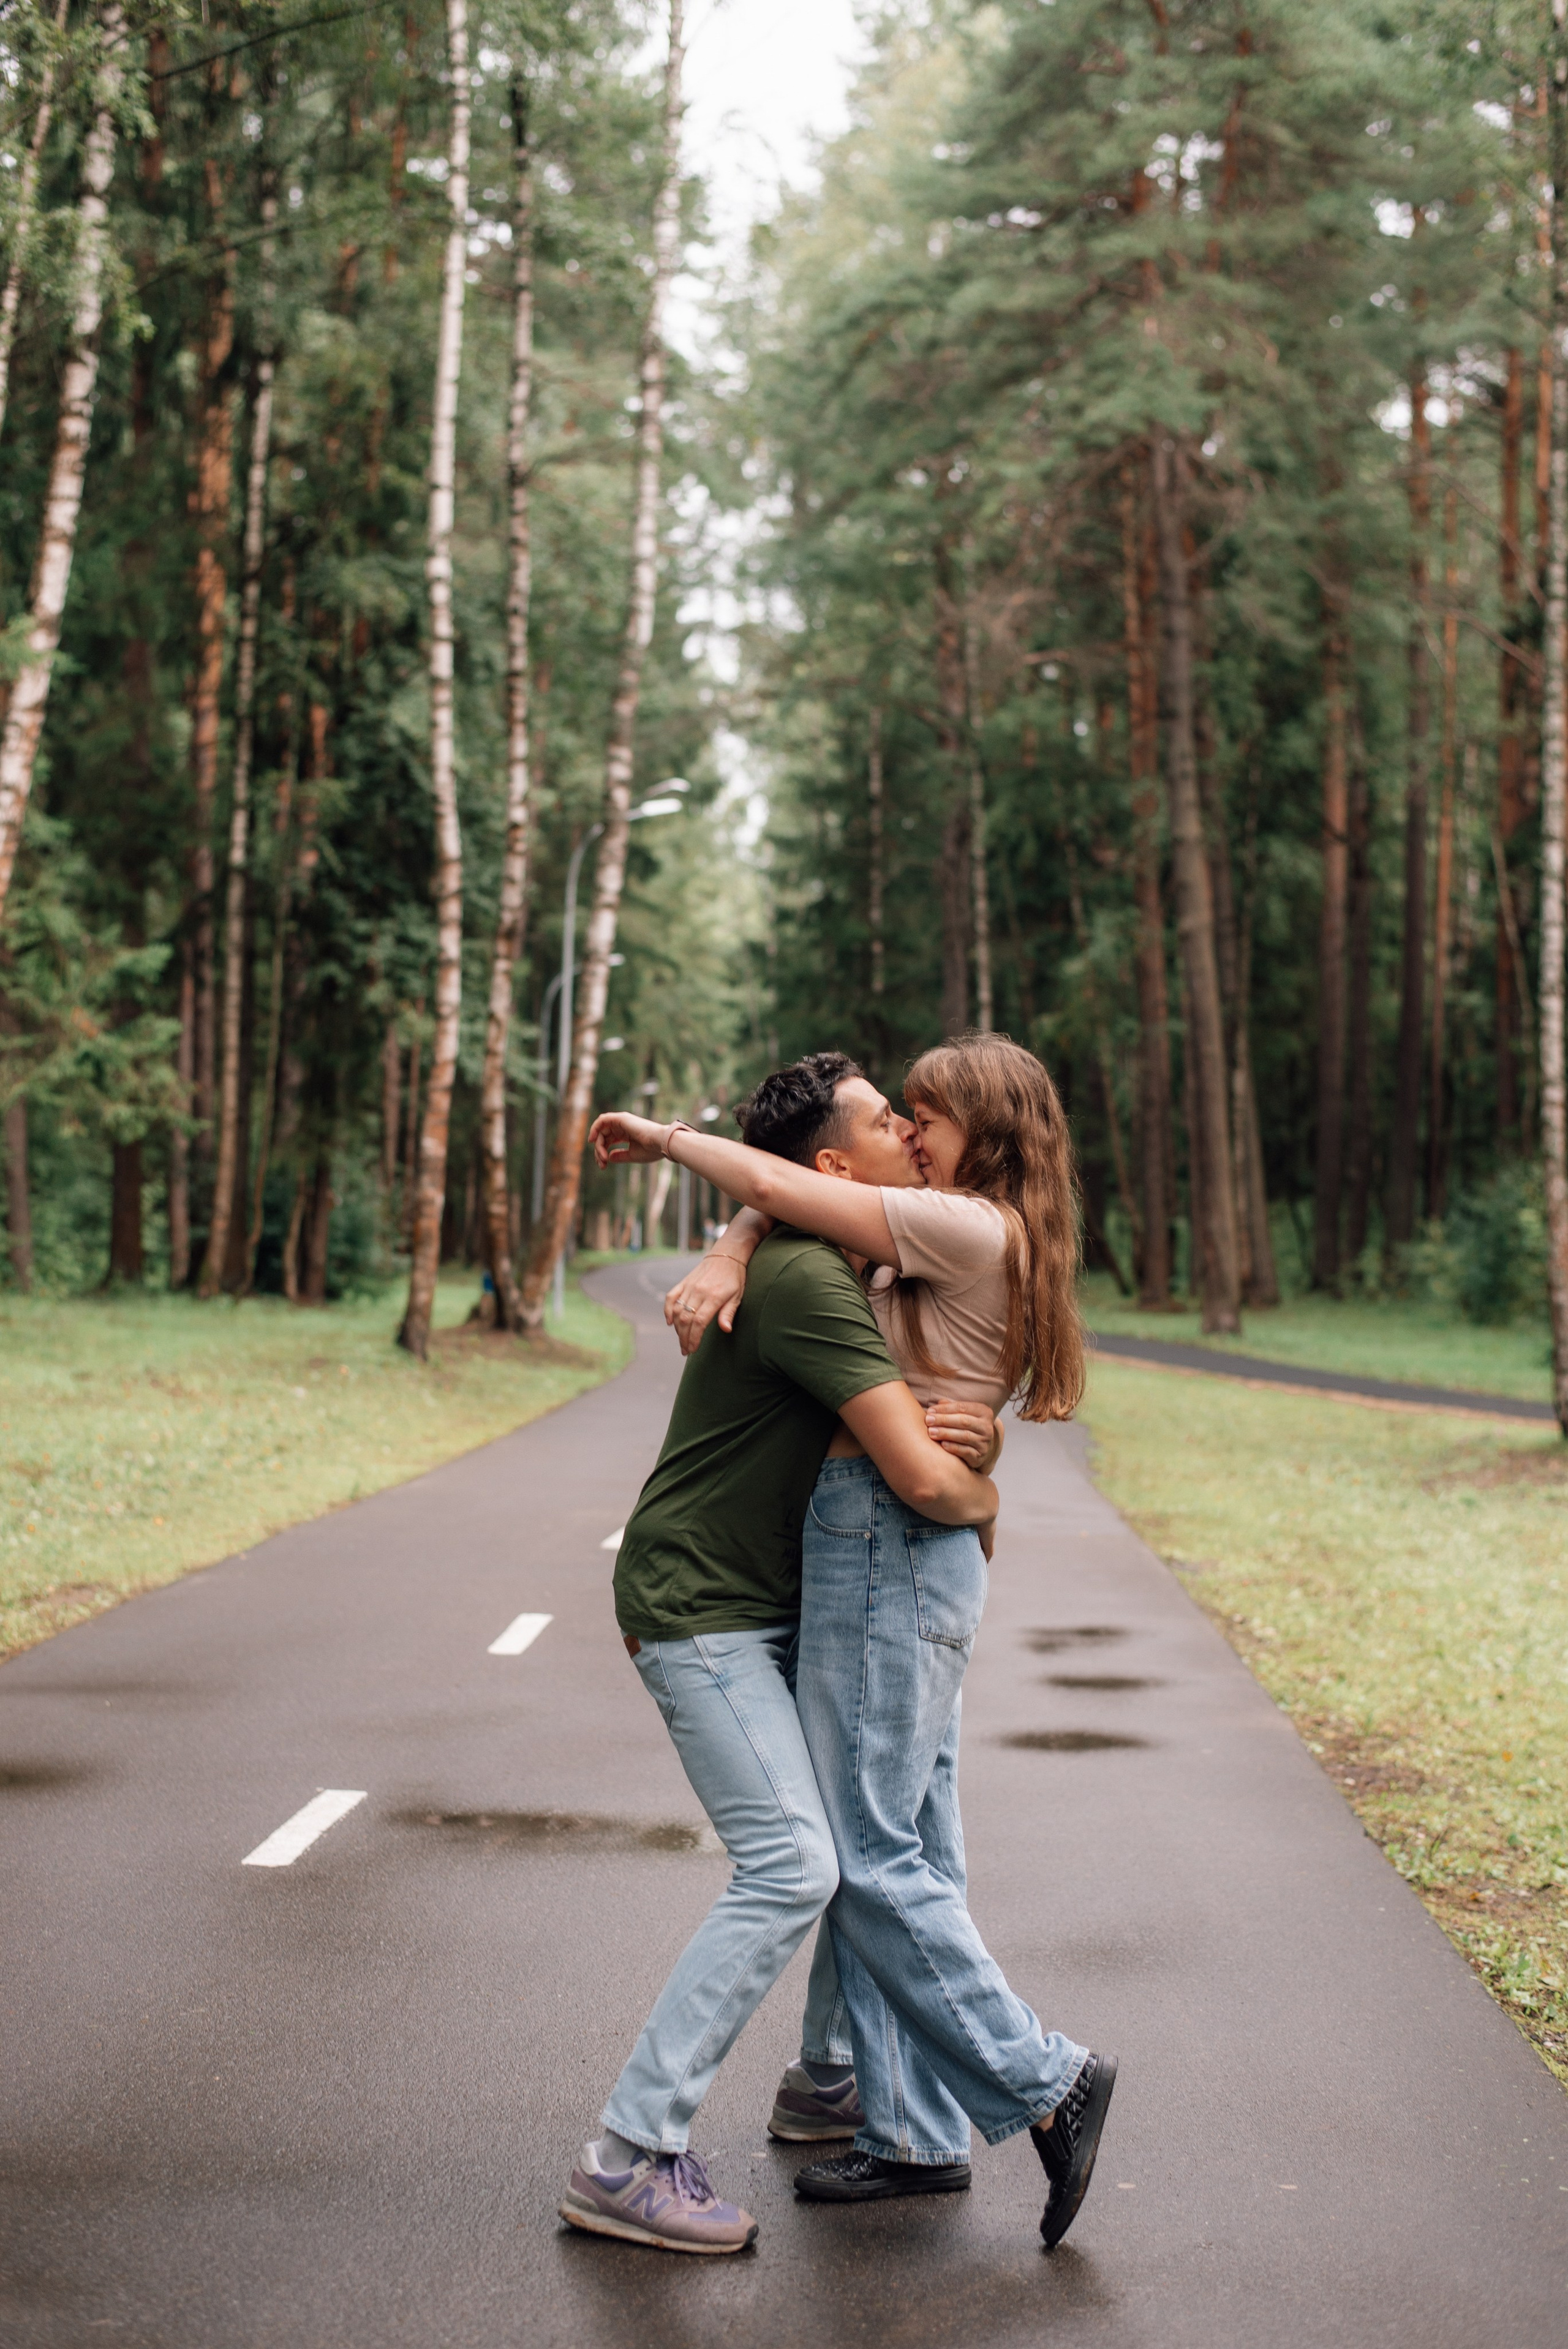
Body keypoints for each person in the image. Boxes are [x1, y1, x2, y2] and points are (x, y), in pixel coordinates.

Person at [589, 1039, 1115, 2255]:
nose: (909, 1130)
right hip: (890, 1544)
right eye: (895, 1115)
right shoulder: (913, 1238)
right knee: (903, 1836)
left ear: (978, 1130)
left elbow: (927, 1467)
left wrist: (672, 1143)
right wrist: (731, 1236)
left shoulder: (956, 1227)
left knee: (862, 1853)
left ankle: (1041, 2081)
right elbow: (786, 1206)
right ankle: (901, 2117)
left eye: (920, 1113)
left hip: (891, 1531)